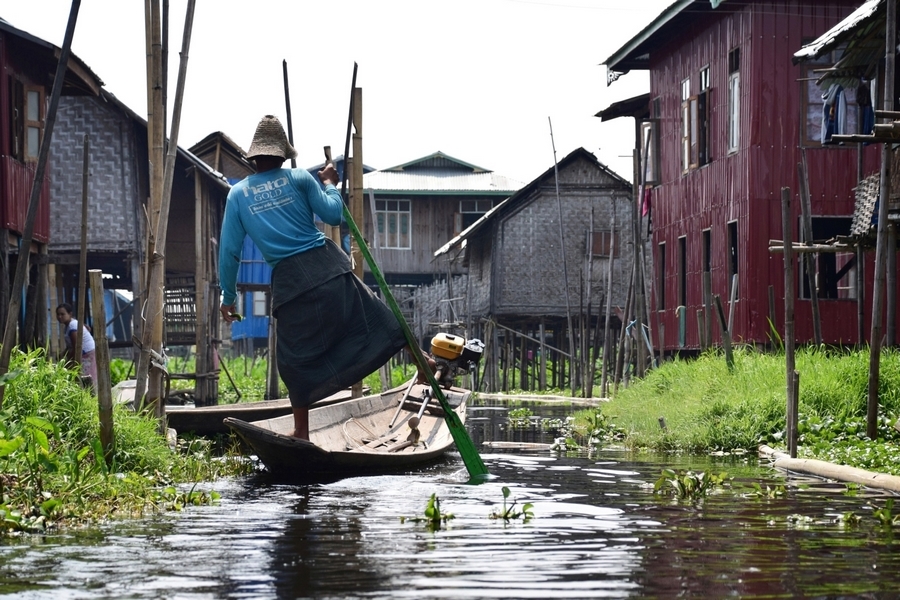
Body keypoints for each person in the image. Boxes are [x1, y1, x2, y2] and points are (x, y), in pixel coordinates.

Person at [219, 115, 432, 441]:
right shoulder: (300, 178)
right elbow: (333, 215)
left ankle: (301, 431)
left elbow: (230, 251)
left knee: (293, 360)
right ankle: (422, 363)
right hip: (327, 266)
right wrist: (330, 183)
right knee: (380, 319)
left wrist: (228, 298)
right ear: (283, 155)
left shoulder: (238, 195)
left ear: (255, 157)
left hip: (291, 282)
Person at [55, 302, 98, 387]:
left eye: (62, 314)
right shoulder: (69, 326)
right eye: (58, 314)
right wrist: (63, 354)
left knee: (85, 378)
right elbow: (70, 346)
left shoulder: (72, 326)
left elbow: (77, 347)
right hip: (84, 353)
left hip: (87, 354)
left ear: (70, 314)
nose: (59, 316)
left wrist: (68, 361)